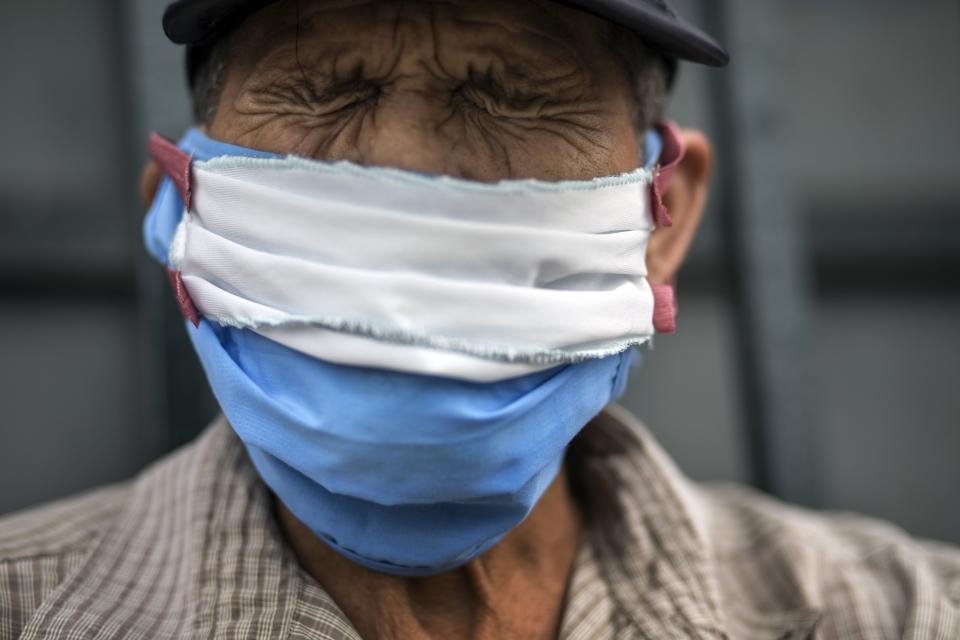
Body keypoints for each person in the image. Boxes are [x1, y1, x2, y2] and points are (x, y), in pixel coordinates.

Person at [1, 1, 958, 638]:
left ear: (664, 221)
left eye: (509, 94)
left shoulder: (905, 614)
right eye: (329, 88)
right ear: (177, 214)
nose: (412, 169)